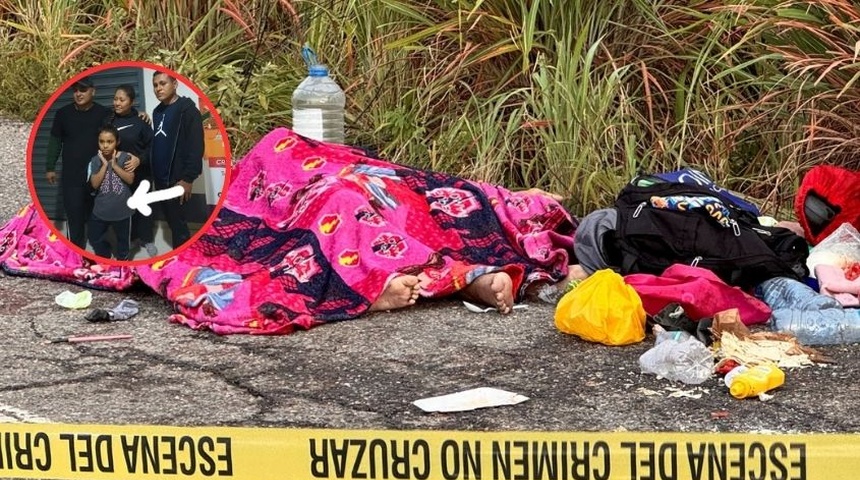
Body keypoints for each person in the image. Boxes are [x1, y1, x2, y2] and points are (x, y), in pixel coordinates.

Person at [135, 128, 589, 336]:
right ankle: (407, 280)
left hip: (301, 172)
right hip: (288, 202)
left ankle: (477, 254)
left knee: (399, 186)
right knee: (340, 201)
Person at [45, 76, 111, 249]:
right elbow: (55, 141)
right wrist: (50, 167)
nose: (78, 94)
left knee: (98, 215)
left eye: (83, 90)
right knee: (74, 216)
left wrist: (139, 114)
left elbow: (123, 121)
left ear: (93, 91)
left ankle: (100, 251)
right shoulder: (63, 114)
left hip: (97, 175)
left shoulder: (104, 114)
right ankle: (76, 251)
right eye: (75, 91)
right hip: (72, 177)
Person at [149, 71, 204, 249]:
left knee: (179, 227)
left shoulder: (187, 110)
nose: (158, 88)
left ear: (175, 84)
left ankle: (183, 262)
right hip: (161, 179)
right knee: (172, 223)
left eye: (163, 83)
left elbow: (196, 146)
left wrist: (188, 179)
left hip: (178, 179)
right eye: (155, 85)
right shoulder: (157, 111)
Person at [109, 84, 156, 257]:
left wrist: (139, 159)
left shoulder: (141, 122)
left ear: (131, 102)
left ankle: (147, 239)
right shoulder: (109, 121)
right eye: (115, 99)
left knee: (143, 208)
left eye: (122, 100)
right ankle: (131, 239)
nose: (117, 103)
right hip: (119, 176)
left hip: (141, 173)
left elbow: (153, 147)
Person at [86, 125, 135, 260]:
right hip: (101, 210)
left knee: (123, 241)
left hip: (123, 210)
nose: (105, 146)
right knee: (95, 238)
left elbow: (130, 179)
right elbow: (94, 184)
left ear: (117, 142)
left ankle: (122, 262)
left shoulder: (125, 157)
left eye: (110, 142)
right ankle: (105, 256)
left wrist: (113, 165)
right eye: (102, 142)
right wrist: (104, 164)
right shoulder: (95, 160)